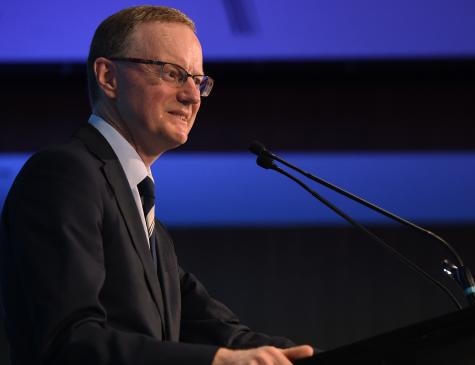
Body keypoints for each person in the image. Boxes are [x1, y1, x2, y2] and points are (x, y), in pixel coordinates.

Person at [0, 5, 313, 365]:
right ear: (109, 78)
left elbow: (221, 331)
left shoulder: (150, 227)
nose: (192, 97)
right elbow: (69, 341)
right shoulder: (64, 175)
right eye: (172, 73)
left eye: (198, 81)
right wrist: (218, 362)